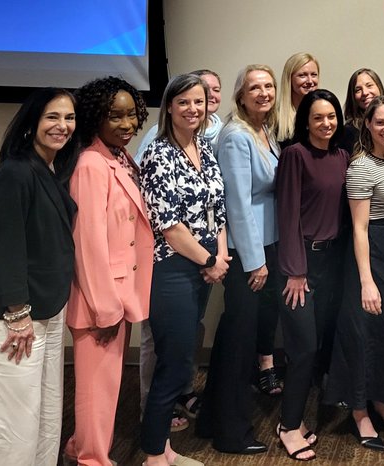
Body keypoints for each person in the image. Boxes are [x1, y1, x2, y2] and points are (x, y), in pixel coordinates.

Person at [0, 87, 79, 465]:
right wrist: (17, 315)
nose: (62, 126)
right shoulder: (15, 173)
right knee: (11, 425)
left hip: (46, 311)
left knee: (45, 416)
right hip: (16, 318)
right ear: (31, 122)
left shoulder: (49, 168)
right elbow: (6, 248)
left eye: (68, 117)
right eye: (52, 117)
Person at [63, 77, 153, 466]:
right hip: (101, 300)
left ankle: (76, 449)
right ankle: (91, 460)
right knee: (97, 391)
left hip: (122, 293)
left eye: (131, 114)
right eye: (114, 116)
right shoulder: (90, 165)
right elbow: (88, 243)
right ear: (94, 118)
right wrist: (104, 306)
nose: (126, 124)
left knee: (106, 388)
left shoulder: (120, 158)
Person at [139, 73, 229, 466]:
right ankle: (154, 455)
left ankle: (164, 449)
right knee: (173, 365)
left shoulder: (204, 149)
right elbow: (169, 226)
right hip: (174, 269)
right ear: (169, 108)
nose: (194, 109)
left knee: (184, 359)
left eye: (200, 102)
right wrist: (209, 261)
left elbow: (219, 210)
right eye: (184, 103)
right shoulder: (158, 155)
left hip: (207, 263)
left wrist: (220, 256)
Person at [196, 64, 282, 455]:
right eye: (255, 88)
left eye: (268, 86)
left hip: (266, 246)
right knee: (239, 342)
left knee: (236, 337)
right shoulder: (235, 136)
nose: (263, 93)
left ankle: (212, 418)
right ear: (240, 96)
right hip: (251, 255)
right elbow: (237, 204)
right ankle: (232, 433)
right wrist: (254, 262)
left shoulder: (263, 130)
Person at [324, 95, 384, 452]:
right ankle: (360, 411)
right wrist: (366, 281)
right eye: (380, 122)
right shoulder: (360, 166)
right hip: (370, 254)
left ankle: (382, 400)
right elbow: (360, 228)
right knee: (363, 334)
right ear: (367, 124)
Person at [274, 88, 351, 462]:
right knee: (302, 349)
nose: (326, 123)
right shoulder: (295, 155)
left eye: (332, 117)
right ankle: (288, 426)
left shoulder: (342, 156)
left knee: (316, 349)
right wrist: (295, 271)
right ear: (306, 120)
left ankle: (295, 417)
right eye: (318, 117)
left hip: (331, 265)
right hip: (300, 268)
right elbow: (286, 214)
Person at [136, 69, 223, 162]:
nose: (211, 94)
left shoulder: (207, 144)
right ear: (169, 106)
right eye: (183, 102)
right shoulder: (158, 150)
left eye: (216, 90)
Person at [278, 52, 320, 146]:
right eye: (302, 75)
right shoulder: (275, 118)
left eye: (314, 75)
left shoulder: (324, 115)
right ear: (289, 79)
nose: (310, 81)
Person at [342, 68, 384, 151]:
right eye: (358, 90)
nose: (365, 93)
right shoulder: (348, 132)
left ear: (379, 87)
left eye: (369, 86)